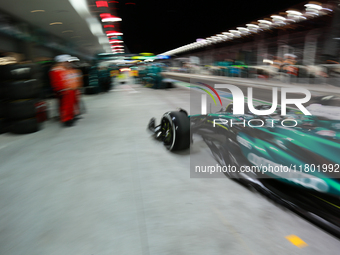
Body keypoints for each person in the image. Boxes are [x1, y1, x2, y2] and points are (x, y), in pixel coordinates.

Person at [49, 54, 77, 127]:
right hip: (64, 91)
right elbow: (57, 82)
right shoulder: (57, 70)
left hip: (69, 90)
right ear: (62, 62)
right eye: (67, 61)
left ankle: (70, 117)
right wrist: (61, 90)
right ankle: (67, 119)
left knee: (70, 105)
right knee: (66, 106)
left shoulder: (65, 69)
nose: (68, 63)